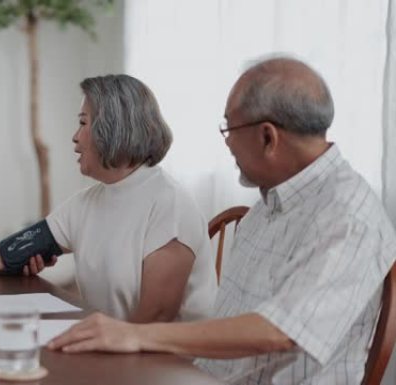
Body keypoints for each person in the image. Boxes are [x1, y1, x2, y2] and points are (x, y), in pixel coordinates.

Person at [47, 56, 396, 384]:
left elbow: (279, 332)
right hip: (203, 376)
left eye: (229, 128)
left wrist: (134, 335)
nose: (226, 143)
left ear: (267, 137)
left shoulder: (348, 217)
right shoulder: (268, 205)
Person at [0, 75, 218, 322]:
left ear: (112, 128)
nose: (75, 137)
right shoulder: (87, 203)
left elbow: (154, 323)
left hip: (173, 365)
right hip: (114, 350)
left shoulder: (171, 206)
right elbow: (6, 254)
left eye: (82, 123)